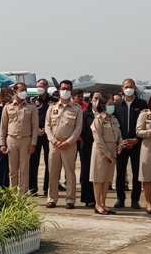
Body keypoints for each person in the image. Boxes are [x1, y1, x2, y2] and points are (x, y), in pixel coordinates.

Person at [44, 80, 82, 209]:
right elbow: (47, 126)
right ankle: (52, 198)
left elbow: (78, 128)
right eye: (63, 88)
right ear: (59, 90)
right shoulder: (52, 108)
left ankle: (70, 200)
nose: (65, 91)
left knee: (70, 173)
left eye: (67, 89)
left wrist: (68, 142)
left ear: (71, 91)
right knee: (53, 172)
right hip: (54, 144)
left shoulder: (76, 109)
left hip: (69, 145)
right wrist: (53, 140)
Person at [112, 78, 147, 209]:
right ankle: (120, 199)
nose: (129, 89)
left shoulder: (142, 104)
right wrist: (120, 141)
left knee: (137, 173)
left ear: (135, 88)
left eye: (131, 87)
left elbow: (145, 124)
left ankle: (135, 200)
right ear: (122, 89)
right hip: (121, 144)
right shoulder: (117, 106)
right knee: (120, 173)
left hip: (137, 143)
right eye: (126, 87)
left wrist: (137, 139)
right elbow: (114, 126)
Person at [1, 83, 38, 190]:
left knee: (24, 169)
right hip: (11, 140)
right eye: (21, 90)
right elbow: (3, 127)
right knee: (12, 170)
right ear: (15, 92)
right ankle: (13, 193)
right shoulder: (8, 107)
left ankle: (22, 194)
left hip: (26, 140)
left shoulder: (31, 107)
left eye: (25, 90)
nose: (24, 92)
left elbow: (35, 127)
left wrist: (33, 143)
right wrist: (2, 143)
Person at [89, 94, 121, 214]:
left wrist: (120, 145)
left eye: (113, 104)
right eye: (109, 104)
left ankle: (103, 203)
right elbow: (98, 139)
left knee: (107, 179)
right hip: (101, 152)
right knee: (99, 178)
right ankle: (97, 204)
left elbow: (119, 134)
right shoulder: (98, 119)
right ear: (103, 105)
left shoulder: (113, 119)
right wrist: (108, 154)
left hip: (112, 152)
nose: (112, 106)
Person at [28, 79, 52, 196]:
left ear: (47, 87)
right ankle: (32, 188)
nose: (39, 88)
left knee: (50, 162)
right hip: (35, 134)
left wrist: (46, 130)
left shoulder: (54, 101)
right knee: (33, 162)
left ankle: (48, 188)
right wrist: (36, 129)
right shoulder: (32, 101)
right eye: (37, 86)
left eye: (41, 86)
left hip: (49, 135)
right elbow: (29, 118)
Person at [77, 93, 99, 207]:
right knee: (86, 172)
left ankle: (99, 198)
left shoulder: (105, 115)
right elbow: (81, 130)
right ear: (90, 100)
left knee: (98, 173)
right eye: (95, 98)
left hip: (101, 148)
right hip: (87, 146)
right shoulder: (85, 114)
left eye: (100, 99)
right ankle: (87, 198)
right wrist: (92, 140)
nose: (97, 101)